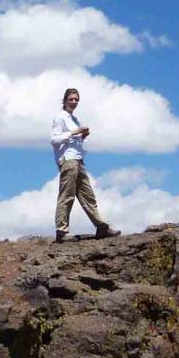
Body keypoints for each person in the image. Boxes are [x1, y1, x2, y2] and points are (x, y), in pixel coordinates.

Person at [50, 87, 117, 242]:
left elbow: (75, 141)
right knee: (67, 196)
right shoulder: (60, 117)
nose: (73, 102)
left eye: (76, 100)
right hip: (68, 160)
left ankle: (101, 227)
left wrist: (82, 136)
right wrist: (73, 133)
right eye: (71, 99)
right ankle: (61, 231)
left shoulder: (74, 119)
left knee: (88, 196)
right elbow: (54, 140)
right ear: (65, 100)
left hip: (78, 160)